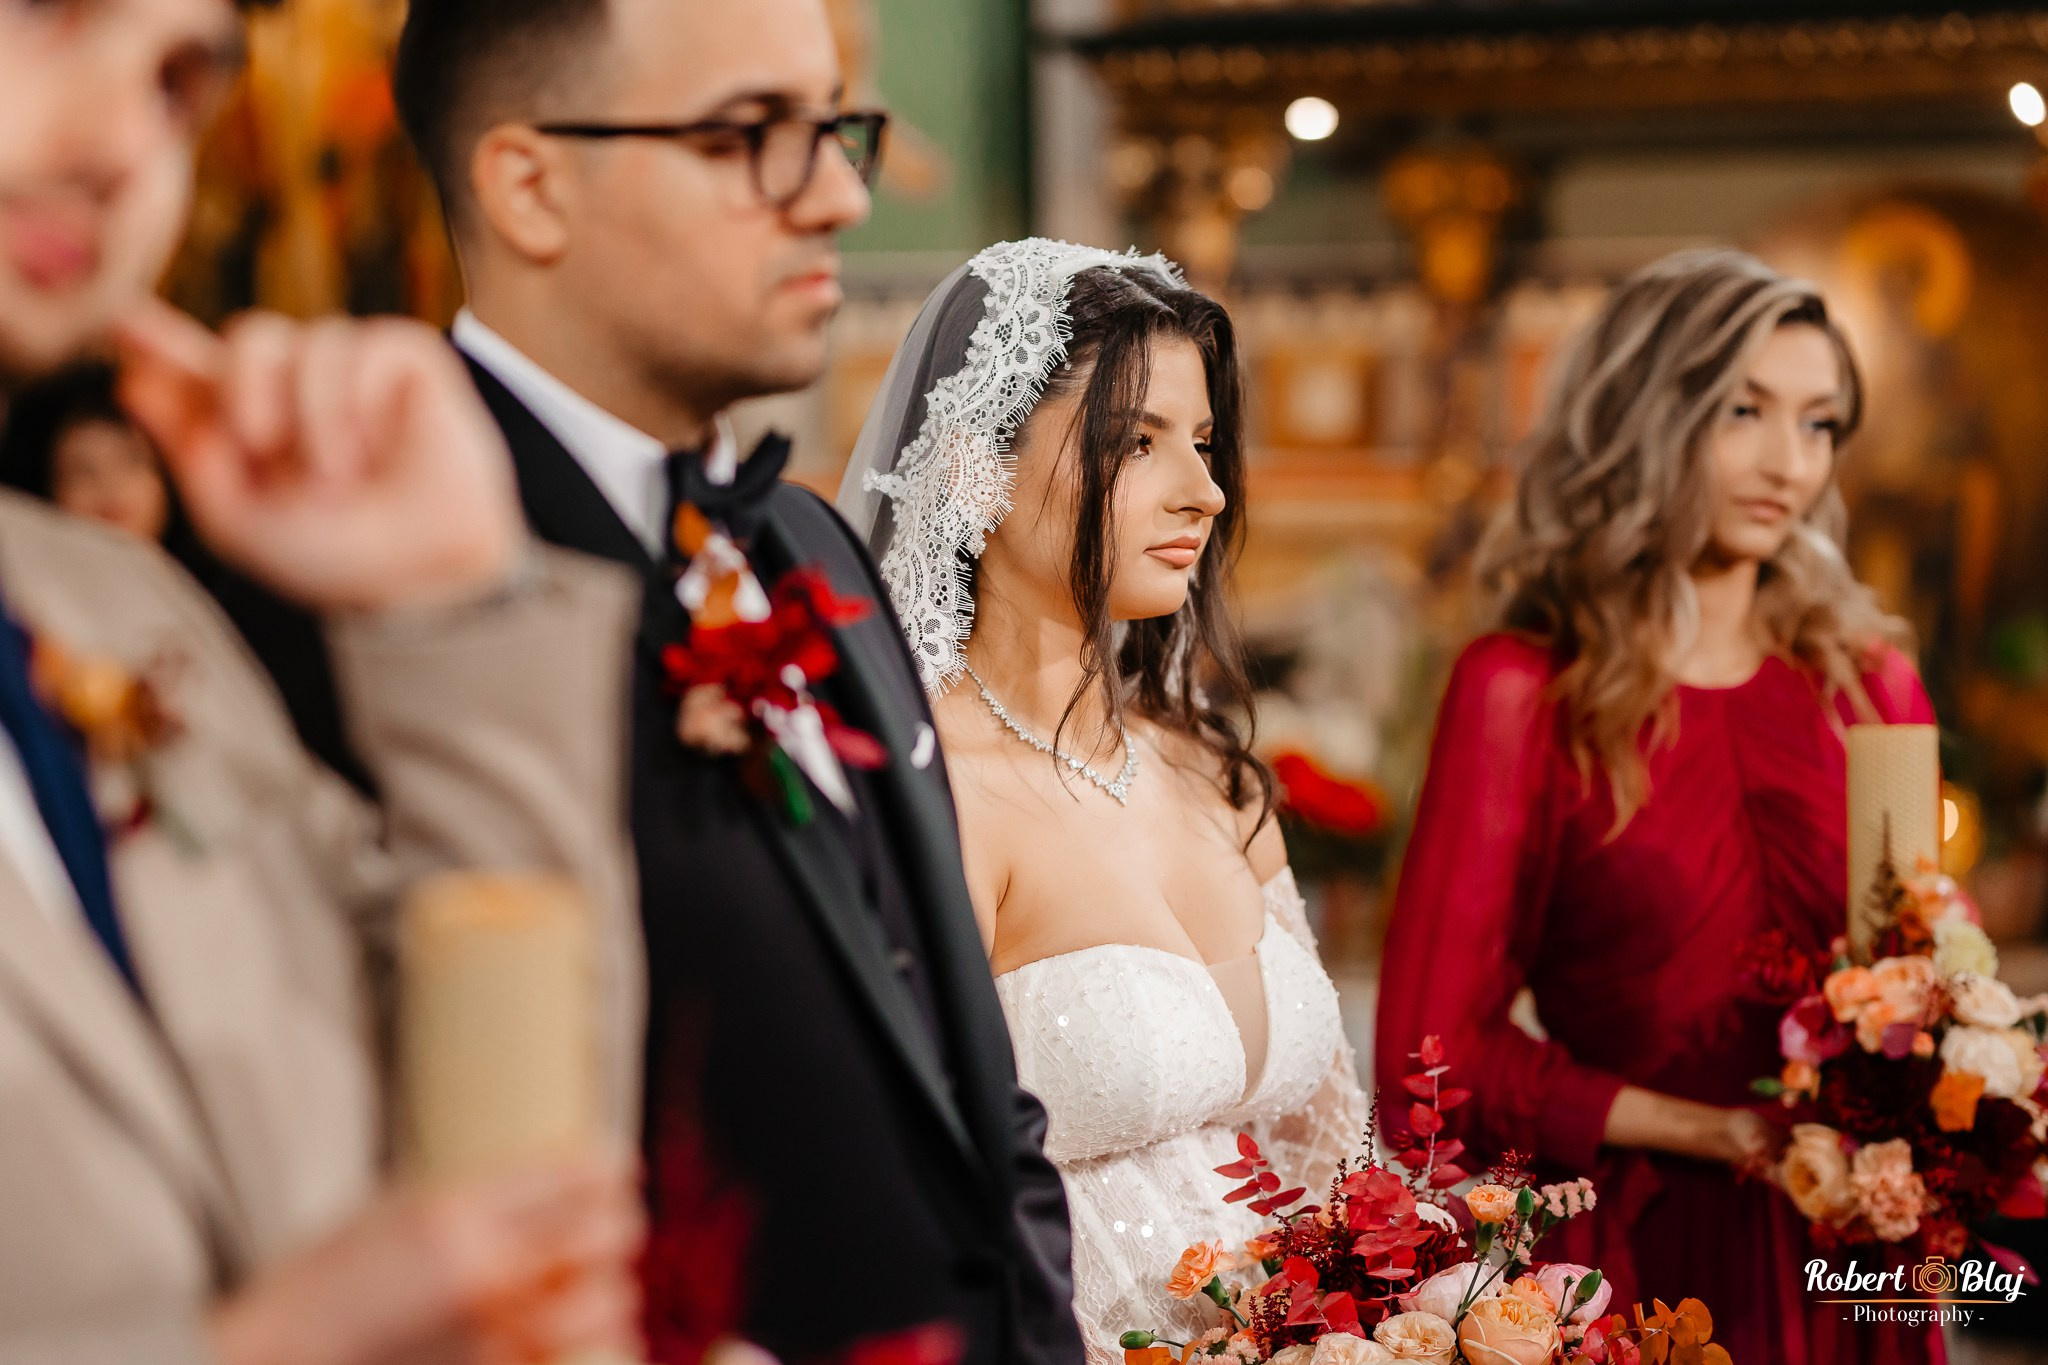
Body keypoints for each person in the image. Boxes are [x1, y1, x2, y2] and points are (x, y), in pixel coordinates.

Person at [390, 2, 1083, 1361]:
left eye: (834, 128)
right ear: (531, 184)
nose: (837, 193)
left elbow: (965, 1071)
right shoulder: (406, 590)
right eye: (749, 135)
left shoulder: (812, 544)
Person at [0, 0, 647, 1361]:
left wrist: (453, 614)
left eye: (178, 78)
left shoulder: (110, 606)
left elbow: (518, 1181)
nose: (124, 146)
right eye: (50, 15)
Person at [1375, 249, 1937, 1364]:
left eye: (1818, 423)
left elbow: (1920, 981)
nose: (1788, 461)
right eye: (1743, 411)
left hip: (1854, 1261)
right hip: (1642, 1260)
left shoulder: (1865, 683)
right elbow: (1425, 1059)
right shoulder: (1523, 690)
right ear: (1647, 416)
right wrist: (1704, 1129)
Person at [838, 239, 1372, 1363]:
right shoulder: (929, 793)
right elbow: (896, 1212)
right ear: (974, 467)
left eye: (1205, 443)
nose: (1204, 491)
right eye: (1136, 443)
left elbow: (1336, 1160)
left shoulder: (1210, 772)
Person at [0, 362, 372, 789]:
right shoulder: (33, 618)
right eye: (83, 472)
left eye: (131, 463)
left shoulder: (244, 599)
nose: (110, 488)